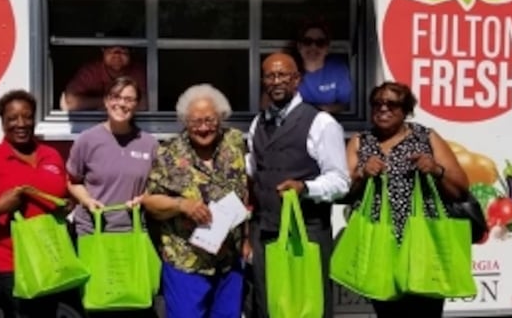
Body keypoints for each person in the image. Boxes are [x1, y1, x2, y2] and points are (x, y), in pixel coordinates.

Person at [346, 81, 469, 317]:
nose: (383, 109)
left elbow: (461, 187)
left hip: (423, 243)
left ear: (406, 110)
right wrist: (361, 173)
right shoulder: (360, 141)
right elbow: (343, 192)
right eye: (378, 103)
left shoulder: (427, 137)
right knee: (387, 312)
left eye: (392, 104)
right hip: (378, 243)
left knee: (425, 311)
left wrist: (435, 169)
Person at [247, 52, 350, 318]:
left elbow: (340, 181)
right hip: (265, 232)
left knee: (307, 307)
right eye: (270, 75)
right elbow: (254, 168)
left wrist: (306, 188)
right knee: (268, 306)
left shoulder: (321, 123)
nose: (276, 81)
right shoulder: (258, 122)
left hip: (306, 233)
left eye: (283, 75)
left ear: (297, 80)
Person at [142, 84, 249, 318]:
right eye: (195, 122)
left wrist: (247, 238)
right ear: (184, 122)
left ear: (221, 117)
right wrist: (181, 205)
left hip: (229, 263)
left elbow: (247, 190)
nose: (203, 128)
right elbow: (149, 202)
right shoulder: (168, 153)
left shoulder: (235, 142)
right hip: (186, 265)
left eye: (209, 120)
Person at [0, 89, 72, 318]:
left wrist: (66, 207)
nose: (20, 123)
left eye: (27, 116)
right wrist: (0, 208)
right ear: (2, 122)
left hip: (52, 256)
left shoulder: (51, 155)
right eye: (12, 118)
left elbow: (62, 194)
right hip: (12, 260)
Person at [66, 76, 159, 317]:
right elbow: (73, 181)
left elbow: (157, 186)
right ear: (107, 101)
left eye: (129, 99)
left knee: (135, 304)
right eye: (116, 97)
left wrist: (143, 199)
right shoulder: (87, 140)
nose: (122, 104)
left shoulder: (149, 144)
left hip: (132, 235)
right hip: (94, 234)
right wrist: (87, 200)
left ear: (137, 104)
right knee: (99, 304)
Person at [61, 29, 148, 112]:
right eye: (111, 49)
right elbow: (68, 102)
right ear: (103, 50)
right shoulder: (91, 72)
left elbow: (145, 103)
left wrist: (107, 105)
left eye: (123, 50)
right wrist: (106, 102)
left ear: (131, 51)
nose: (117, 55)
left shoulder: (137, 71)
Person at [295, 20, 353, 113]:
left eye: (320, 42)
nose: (313, 47)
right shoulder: (289, 70)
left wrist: (317, 112)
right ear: (299, 46)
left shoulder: (338, 68)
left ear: (327, 48)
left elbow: (344, 104)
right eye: (307, 41)